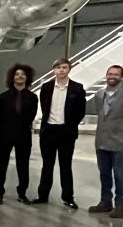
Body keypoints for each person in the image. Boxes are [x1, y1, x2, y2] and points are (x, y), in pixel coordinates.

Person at [89, 65, 123, 219]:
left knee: (119, 173)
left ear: (122, 77)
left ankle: (120, 205)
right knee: (104, 173)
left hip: (120, 142)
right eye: (110, 74)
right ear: (106, 76)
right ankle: (105, 202)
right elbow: (102, 117)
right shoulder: (99, 95)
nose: (112, 76)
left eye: (116, 74)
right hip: (101, 141)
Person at [33, 58, 87, 209]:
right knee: (47, 165)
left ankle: (68, 197)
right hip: (49, 131)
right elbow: (44, 107)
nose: (61, 70)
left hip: (66, 132)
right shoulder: (46, 87)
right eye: (58, 67)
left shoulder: (77, 88)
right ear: (54, 70)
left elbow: (80, 111)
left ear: (69, 69)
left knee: (65, 165)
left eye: (64, 67)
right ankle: (42, 195)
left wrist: (70, 125)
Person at [0, 63, 38, 205]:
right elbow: (0, 117)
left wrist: (19, 128)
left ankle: (22, 193)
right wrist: (8, 129)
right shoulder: (3, 97)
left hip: (23, 136)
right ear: (12, 77)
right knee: (2, 165)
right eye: (17, 74)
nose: (20, 76)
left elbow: (31, 116)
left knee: (23, 165)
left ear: (27, 78)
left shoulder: (32, 97)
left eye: (23, 74)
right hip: (5, 135)